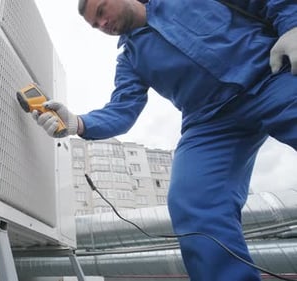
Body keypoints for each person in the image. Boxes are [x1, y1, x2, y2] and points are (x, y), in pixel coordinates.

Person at [32, 0, 297, 280]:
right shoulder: (131, 58)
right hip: (210, 122)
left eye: (101, 11)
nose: (102, 25)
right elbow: (122, 109)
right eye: (95, 25)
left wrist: (292, 25)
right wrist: (77, 122)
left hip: (269, 76)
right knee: (192, 201)